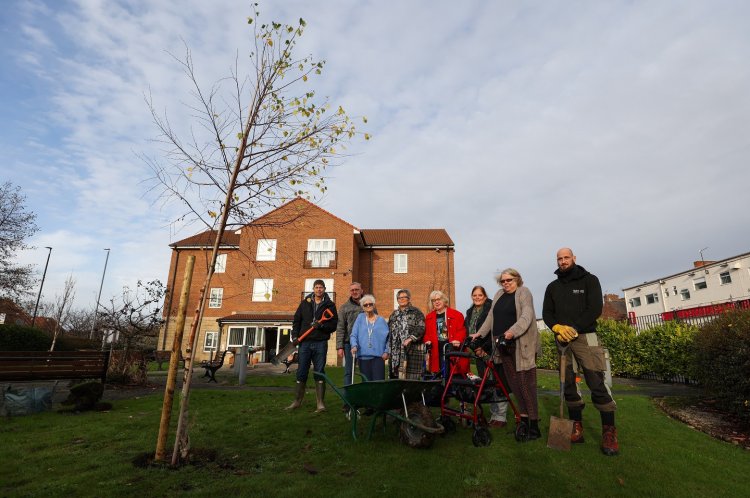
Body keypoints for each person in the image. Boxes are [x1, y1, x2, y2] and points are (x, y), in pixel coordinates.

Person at [542, 247, 619, 456]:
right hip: (562, 341)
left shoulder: (589, 280)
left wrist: (574, 328)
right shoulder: (552, 287)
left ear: (574, 258)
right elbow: (546, 313)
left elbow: (594, 309)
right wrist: (557, 328)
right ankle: (576, 427)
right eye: (559, 258)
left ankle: (609, 433)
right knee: (568, 384)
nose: (563, 261)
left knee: (597, 382)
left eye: (566, 257)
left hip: (586, 338)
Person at [472, 270, 541, 441]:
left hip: (519, 344)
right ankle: (523, 420)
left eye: (509, 280)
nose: (506, 283)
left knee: (526, 384)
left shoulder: (523, 292)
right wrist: (478, 334)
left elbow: (527, 316)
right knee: (514, 385)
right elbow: (490, 317)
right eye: (502, 281)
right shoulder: (498, 295)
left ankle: (534, 425)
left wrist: (511, 332)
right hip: (502, 345)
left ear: (517, 279)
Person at [286, 279, 338, 413]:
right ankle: (297, 401)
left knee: (319, 371)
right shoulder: (305, 303)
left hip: (320, 342)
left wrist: (321, 325)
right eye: (317, 287)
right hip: (305, 342)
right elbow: (297, 320)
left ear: (324, 289)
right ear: (313, 289)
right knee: (301, 371)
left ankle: (320, 403)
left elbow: (333, 325)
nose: (319, 290)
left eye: (321, 287)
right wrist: (295, 336)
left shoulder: (330, 305)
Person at [465, 285, 510, 428]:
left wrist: (483, 348)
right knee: (486, 383)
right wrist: (474, 349)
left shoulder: (491, 308)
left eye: (480, 295)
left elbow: (492, 330)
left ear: (485, 296)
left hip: (490, 350)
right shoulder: (470, 311)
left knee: (498, 381)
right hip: (477, 352)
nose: (477, 298)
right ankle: (493, 414)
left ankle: (501, 416)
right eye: (475, 295)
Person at [424, 290, 469, 376]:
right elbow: (426, 334)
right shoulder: (429, 317)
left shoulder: (457, 314)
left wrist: (458, 340)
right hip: (436, 351)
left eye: (439, 299)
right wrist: (427, 340)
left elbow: (462, 330)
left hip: (452, 350)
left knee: (454, 376)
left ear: (444, 300)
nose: (436, 302)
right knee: (439, 376)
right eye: (434, 300)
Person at [387, 289, 427, 379]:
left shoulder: (416, 312)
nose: (401, 299)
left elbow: (421, 327)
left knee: (410, 378)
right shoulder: (394, 315)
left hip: (411, 349)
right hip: (396, 352)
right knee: (396, 377)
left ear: (408, 299)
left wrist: (410, 338)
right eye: (399, 298)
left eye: (404, 297)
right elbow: (389, 331)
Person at [350, 294, 390, 381]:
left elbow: (388, 338)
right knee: (366, 383)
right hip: (363, 357)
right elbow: (353, 334)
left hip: (378, 357)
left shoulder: (381, 320)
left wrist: (386, 351)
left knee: (378, 382)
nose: (368, 306)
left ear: (374, 305)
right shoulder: (360, 318)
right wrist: (354, 345)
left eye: (370, 304)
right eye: (365, 305)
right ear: (363, 307)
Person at [336, 282, 364, 395]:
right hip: (349, 344)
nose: (354, 292)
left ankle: (367, 399)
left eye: (357, 289)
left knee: (365, 372)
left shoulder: (368, 304)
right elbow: (340, 327)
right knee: (349, 372)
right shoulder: (344, 307)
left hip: (366, 344)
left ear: (361, 290)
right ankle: (347, 400)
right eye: (352, 290)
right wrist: (339, 346)